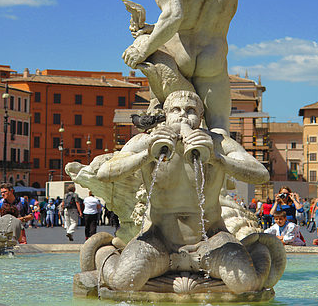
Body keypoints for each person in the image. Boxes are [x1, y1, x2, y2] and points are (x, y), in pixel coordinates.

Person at [94, 90, 282, 293]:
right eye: (176, 110)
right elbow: (105, 173)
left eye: (190, 110)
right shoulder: (145, 141)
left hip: (211, 240)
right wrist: (147, 155)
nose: (183, 115)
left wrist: (217, 158)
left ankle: (256, 252)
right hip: (159, 241)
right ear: (166, 115)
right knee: (124, 282)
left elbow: (261, 174)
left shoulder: (218, 142)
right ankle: (106, 254)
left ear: (201, 118)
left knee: (247, 284)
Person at [122, 0, 239, 133]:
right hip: (214, 56)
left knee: (165, 127)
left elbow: (174, 16)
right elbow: (212, 17)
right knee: (220, 132)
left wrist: (143, 47)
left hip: (179, 56)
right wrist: (154, 28)